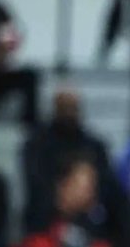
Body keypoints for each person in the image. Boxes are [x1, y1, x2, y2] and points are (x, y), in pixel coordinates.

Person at [23, 89, 123, 235]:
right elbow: (36, 183)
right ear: (55, 108)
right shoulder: (36, 144)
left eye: (73, 107)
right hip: (48, 215)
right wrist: (64, 200)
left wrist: (87, 199)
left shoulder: (95, 145)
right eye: (64, 106)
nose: (69, 112)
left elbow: (106, 182)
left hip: (90, 214)